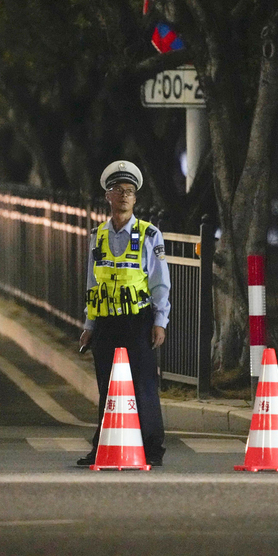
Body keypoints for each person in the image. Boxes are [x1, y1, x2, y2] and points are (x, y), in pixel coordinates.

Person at [77, 160, 171, 467]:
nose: (124, 196)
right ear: (108, 196)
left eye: (129, 191)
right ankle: (103, 445)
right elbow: (93, 282)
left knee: (143, 384)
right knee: (107, 387)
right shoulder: (97, 235)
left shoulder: (149, 234)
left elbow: (159, 282)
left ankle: (152, 447)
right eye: (118, 190)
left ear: (135, 198)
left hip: (137, 320)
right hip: (106, 322)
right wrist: (89, 324)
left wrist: (160, 321)